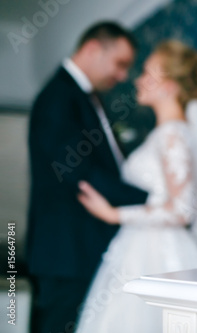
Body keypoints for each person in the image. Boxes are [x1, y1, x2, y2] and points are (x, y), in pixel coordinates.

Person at [75, 40, 197, 332]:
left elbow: (182, 210)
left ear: (170, 86)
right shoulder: (169, 132)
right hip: (145, 247)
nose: (139, 79)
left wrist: (114, 214)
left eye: (148, 72)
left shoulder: (173, 134)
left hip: (157, 255)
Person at [26, 22, 148, 333]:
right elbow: (79, 173)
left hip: (80, 248)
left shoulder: (80, 96)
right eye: (120, 64)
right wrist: (151, 201)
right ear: (93, 48)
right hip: (66, 252)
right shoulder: (59, 97)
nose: (123, 76)